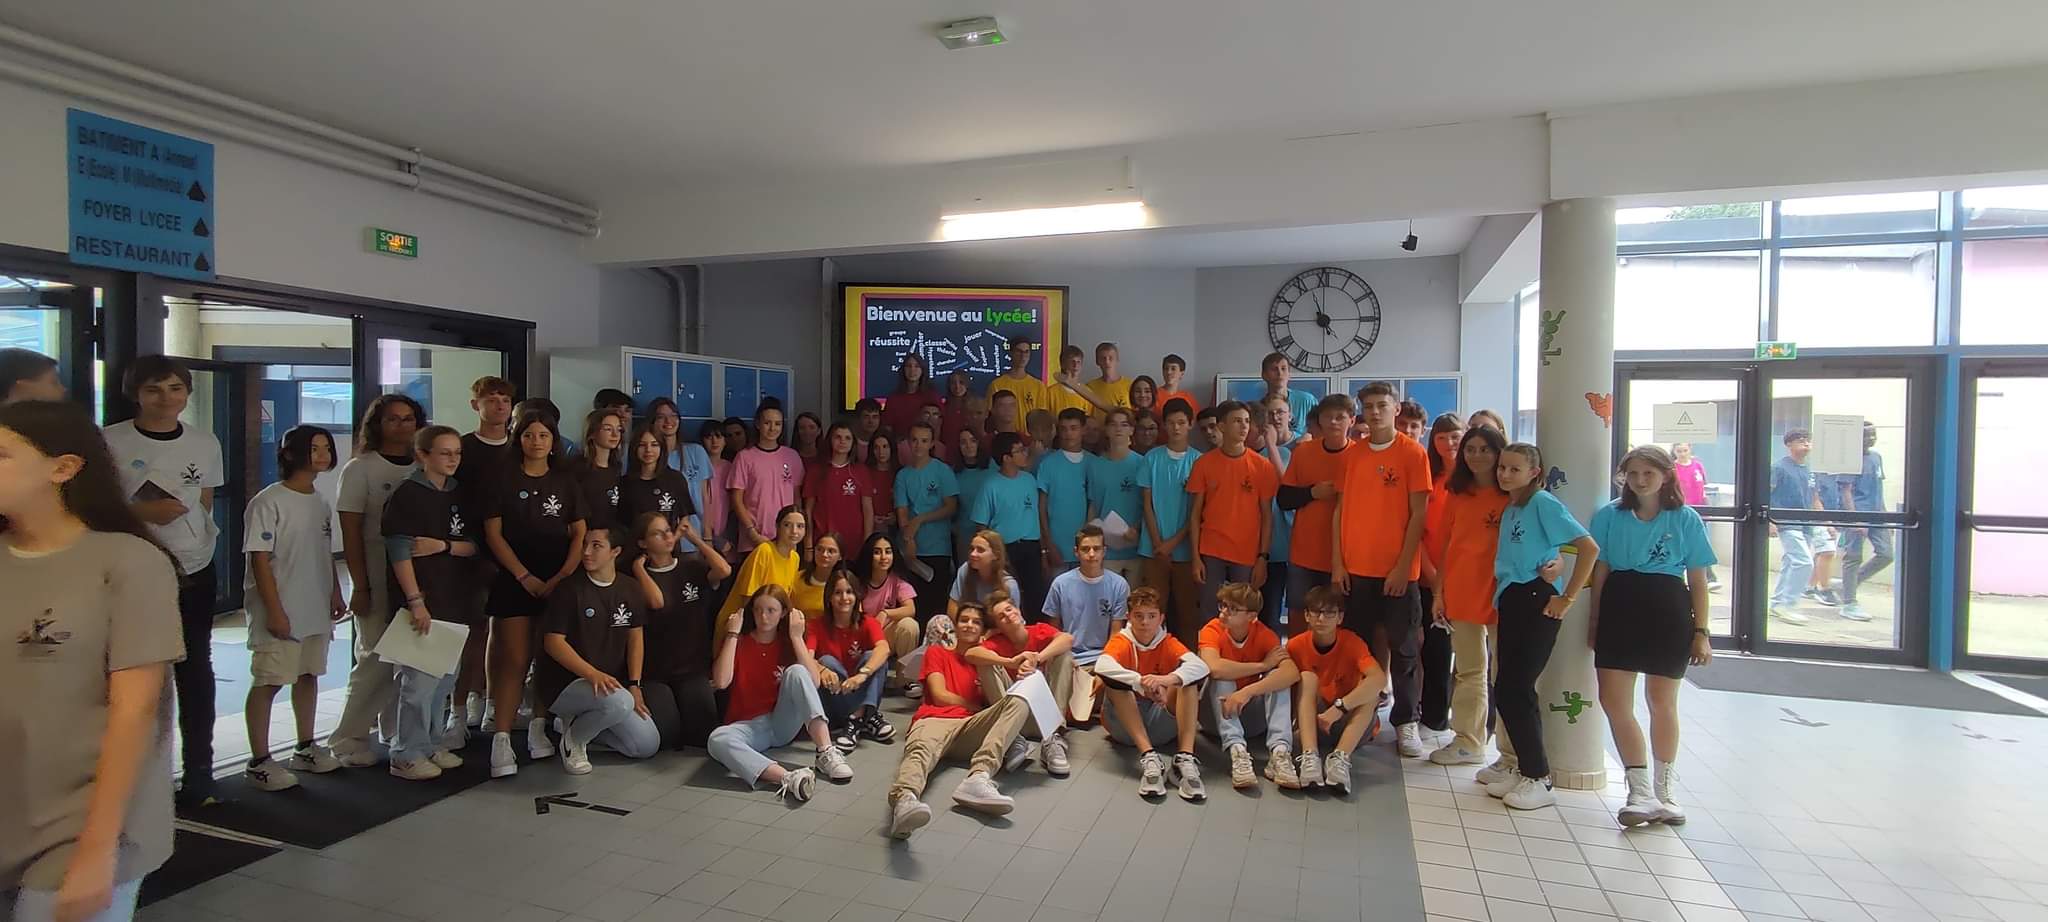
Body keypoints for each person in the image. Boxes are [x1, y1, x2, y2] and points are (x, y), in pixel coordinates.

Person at [0, 401, 184, 922]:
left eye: (1, 455)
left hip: (78, 825)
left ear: (63, 468)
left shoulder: (126, 562)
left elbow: (134, 715)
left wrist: (97, 847)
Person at [101, 356, 224, 806]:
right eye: (155, 389)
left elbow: (205, 499)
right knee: (135, 673)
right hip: (133, 568)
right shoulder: (109, 441)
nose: (166, 398)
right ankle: (135, 779)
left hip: (193, 566)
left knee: (195, 668)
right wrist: (140, 513)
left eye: (175, 388)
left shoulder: (203, 442)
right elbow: (91, 507)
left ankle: (199, 774)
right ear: (135, 393)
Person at [1590, 445, 1715, 827]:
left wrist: (1702, 632)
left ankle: (1665, 791)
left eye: (1649, 473)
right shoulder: (1609, 516)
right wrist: (1594, 620)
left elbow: (1698, 579)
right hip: (1620, 608)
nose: (1641, 480)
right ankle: (1638, 788)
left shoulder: (1685, 519)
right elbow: (1600, 569)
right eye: (1633, 473)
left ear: (1666, 476)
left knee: (1662, 702)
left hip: (1668, 611)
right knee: (1614, 701)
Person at [1486, 441, 1599, 810]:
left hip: (1538, 600)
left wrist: (1566, 597)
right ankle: (1524, 768)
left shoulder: (1543, 503)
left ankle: (1539, 776)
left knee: (1516, 688)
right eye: (1502, 467)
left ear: (1534, 472)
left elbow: (1588, 548)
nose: (1505, 474)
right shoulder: (1514, 506)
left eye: (1514, 469)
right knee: (1508, 688)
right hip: (1512, 599)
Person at [240, 424, 347, 791]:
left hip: (314, 605)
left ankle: (304, 746)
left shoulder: (319, 500)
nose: (321, 454)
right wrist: (275, 610)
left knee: (308, 676)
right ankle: (259, 759)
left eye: (325, 447)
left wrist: (335, 592)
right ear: (288, 453)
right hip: (280, 609)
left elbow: (324, 552)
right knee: (270, 680)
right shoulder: (267, 502)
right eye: (313, 447)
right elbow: (260, 560)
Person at [480, 409, 587, 777]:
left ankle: (539, 727)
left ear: (553, 441)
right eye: (529, 435)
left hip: (557, 578)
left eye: (543, 436)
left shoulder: (566, 480)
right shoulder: (501, 479)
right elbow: (494, 534)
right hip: (515, 579)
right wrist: (523, 575)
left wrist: (563, 575)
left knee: (547, 658)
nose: (536, 442)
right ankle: (502, 740)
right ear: (518, 438)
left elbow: (579, 533)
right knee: (514, 659)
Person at [1330, 381, 1433, 758]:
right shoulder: (1352, 455)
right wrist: (1338, 563)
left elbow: (1419, 514)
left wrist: (1404, 566)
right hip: (1356, 570)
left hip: (1397, 572)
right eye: (1368, 406)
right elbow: (1340, 511)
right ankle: (1362, 712)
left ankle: (1406, 721)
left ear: (1395, 409)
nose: (1375, 413)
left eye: (1382, 406)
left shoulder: (1412, 454)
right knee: (1357, 649)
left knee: (1403, 650)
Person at [328, 393, 424, 767]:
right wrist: (361, 586)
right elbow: (350, 532)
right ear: (377, 425)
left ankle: (395, 730)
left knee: (412, 659)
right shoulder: (360, 469)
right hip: (376, 570)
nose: (402, 426)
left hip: (418, 575)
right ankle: (349, 737)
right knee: (375, 658)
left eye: (408, 418)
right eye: (392, 419)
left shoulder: (423, 464)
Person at [379, 425, 477, 780]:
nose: (453, 460)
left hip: (455, 597)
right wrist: (414, 600)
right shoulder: (408, 495)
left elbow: (472, 546)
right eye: (444, 453)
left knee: (444, 680)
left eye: (457, 453)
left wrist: (444, 545)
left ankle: (431, 742)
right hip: (422, 599)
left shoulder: (457, 494)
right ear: (423, 455)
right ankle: (405, 751)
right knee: (417, 683)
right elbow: (399, 550)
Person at [885, 603, 1033, 836]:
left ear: (983, 631)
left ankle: (978, 777)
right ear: (955, 626)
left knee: (1019, 700)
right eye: (964, 620)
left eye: (976, 622)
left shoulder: (986, 660)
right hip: (935, 718)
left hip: (970, 729)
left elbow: (1002, 697)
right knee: (919, 751)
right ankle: (905, 801)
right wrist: (974, 706)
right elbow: (940, 695)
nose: (969, 625)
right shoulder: (937, 652)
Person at [708, 585, 853, 802]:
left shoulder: (788, 642)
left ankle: (825, 751)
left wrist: (797, 638)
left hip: (781, 721)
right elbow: (721, 681)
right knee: (716, 739)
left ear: (784, 613)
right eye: (758, 610)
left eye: (771, 610)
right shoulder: (739, 641)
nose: (763, 617)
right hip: (749, 727)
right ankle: (788, 777)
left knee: (797, 671)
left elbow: (813, 682)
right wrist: (732, 633)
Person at [538, 525, 664, 775]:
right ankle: (574, 740)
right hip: (566, 684)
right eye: (585, 544)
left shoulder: (629, 588)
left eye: (596, 546)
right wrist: (592, 674)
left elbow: (635, 637)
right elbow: (553, 642)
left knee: (646, 744)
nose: (586, 552)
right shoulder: (569, 589)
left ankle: (584, 726)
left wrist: (634, 684)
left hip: (609, 689)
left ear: (615, 551)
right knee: (619, 702)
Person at [1426, 425, 1511, 768]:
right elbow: (1446, 544)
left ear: (1498, 452)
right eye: (1471, 449)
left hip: (1503, 590)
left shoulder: (1513, 494)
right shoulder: (1456, 492)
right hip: (1461, 589)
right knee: (1469, 670)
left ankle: (1510, 751)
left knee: (1504, 675)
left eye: (1485, 449)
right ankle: (1468, 741)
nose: (1477, 456)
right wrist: (1438, 591)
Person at [1095, 587, 1209, 800]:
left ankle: (1184, 758)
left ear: (1161, 618)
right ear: (1129, 617)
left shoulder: (1168, 642)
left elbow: (1201, 667)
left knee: (1188, 681)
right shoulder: (1122, 640)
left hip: (1160, 721)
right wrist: (1140, 682)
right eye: (1138, 616)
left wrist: (1165, 680)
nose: (1145, 622)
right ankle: (1148, 757)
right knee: (1115, 682)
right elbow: (1102, 665)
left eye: (1151, 616)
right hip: (1124, 728)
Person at [453, 375, 519, 730]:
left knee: (509, 634)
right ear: (475, 404)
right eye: (491, 399)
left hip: (517, 553)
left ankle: (497, 702)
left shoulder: (519, 448)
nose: (499, 405)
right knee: (472, 631)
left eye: (505, 400)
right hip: (472, 552)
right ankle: (462, 706)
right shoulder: (463, 449)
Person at [635, 512, 731, 749]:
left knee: (703, 733)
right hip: (656, 671)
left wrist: (695, 539)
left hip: (692, 668)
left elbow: (724, 569)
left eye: (668, 530)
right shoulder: (637, 578)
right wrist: (639, 569)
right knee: (667, 736)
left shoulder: (690, 566)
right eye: (658, 533)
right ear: (643, 542)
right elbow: (657, 602)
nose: (667, 536)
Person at [1188, 401, 1279, 628]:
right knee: (1209, 614)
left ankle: (1240, 660)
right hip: (1211, 550)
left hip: (1247, 552)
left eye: (1247, 421)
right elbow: (1194, 515)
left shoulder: (1262, 466)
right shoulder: (1204, 463)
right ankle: (1209, 660)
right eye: (1237, 421)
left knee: (1243, 613)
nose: (1244, 426)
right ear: (1221, 426)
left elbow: (1267, 516)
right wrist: (1196, 557)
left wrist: (1263, 557)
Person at [1199, 582, 1299, 790]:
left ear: (1252, 616)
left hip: (1250, 714)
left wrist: (1246, 691)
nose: (1224, 612)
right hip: (1214, 714)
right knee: (1223, 676)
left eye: (1233, 608)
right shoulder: (1211, 630)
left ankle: (1279, 753)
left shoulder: (1264, 634)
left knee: (1277, 676)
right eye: (1223, 605)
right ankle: (1237, 751)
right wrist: (1262, 665)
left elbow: (1292, 673)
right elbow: (1215, 668)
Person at [1286, 586, 1386, 793]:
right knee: (1307, 677)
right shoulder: (1295, 646)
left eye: (1329, 613)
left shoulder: (1352, 642)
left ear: (1340, 618)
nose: (1322, 618)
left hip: (1350, 722)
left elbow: (1379, 679)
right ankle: (1310, 757)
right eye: (1316, 612)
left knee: (1371, 691)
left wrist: (1340, 708)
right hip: (1314, 722)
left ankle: (1340, 759)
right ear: (1306, 616)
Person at [962, 592, 1075, 770]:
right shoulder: (997, 642)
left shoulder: (1038, 631)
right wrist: (1010, 662)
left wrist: (1036, 659)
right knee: (987, 661)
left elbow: (1067, 639)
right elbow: (971, 654)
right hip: (1015, 717)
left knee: (1065, 656)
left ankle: (1053, 736)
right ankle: (1012, 738)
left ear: (1018, 610)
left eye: (1009, 609)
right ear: (997, 626)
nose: (1008, 615)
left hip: (1045, 716)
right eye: (1001, 616)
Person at [1279, 396, 1356, 633]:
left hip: (1346, 556)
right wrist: (1313, 492)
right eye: (1327, 417)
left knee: (1339, 618)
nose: (1333, 422)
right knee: (1299, 615)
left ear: (1351, 421)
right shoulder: (1303, 452)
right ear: (1318, 421)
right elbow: (1284, 499)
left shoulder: (1359, 455)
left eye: (1340, 417)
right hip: (1304, 553)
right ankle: (1297, 665)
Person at [1040, 525, 1128, 727]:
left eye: (1096, 549)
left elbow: (1116, 634)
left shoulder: (1118, 585)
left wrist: (1104, 669)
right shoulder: (1060, 583)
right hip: (1070, 659)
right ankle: (1055, 726)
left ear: (1104, 551)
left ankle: (1091, 705)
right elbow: (1053, 632)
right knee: (1062, 667)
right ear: (1076, 552)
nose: (1091, 554)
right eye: (1085, 549)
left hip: (1101, 658)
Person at [1415, 413, 1465, 754]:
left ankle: (1471, 725)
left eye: (1455, 437)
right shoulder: (1428, 477)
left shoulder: (1474, 483)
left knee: (1470, 656)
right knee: (1433, 649)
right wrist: (1432, 574)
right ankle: (1433, 716)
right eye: (1442, 437)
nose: (1449, 443)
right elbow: (1415, 527)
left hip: (1465, 578)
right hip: (1426, 573)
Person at [809, 565, 897, 750]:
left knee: (874, 656)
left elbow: (883, 649)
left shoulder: (868, 622)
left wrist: (862, 675)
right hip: (835, 698)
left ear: (856, 595)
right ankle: (866, 717)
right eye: (838, 592)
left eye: (849, 592)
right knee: (827, 661)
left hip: (859, 687)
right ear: (830, 598)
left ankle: (856, 719)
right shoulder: (816, 625)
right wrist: (821, 669)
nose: (844, 598)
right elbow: (806, 657)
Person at [1140, 398, 1203, 642]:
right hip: (1153, 549)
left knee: (1188, 614)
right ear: (1164, 426)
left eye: (1181, 422)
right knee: (1153, 609)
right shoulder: (1152, 459)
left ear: (1190, 424)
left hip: (1186, 550)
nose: (1176, 428)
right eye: (1171, 423)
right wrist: (1159, 543)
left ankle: (1189, 667)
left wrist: (1173, 543)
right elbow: (1147, 504)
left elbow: (1197, 511)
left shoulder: (1199, 461)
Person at [973, 432, 1046, 614]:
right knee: (1006, 595)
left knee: (1035, 595)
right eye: (1019, 451)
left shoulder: (1029, 480)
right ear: (1006, 458)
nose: (1024, 454)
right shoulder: (990, 485)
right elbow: (981, 526)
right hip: (1005, 549)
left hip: (1031, 546)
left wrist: (1044, 550)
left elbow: (1036, 515)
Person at [895, 420, 960, 627]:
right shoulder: (903, 475)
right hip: (912, 551)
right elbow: (902, 512)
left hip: (938, 549)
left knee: (937, 607)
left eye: (924, 441)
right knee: (915, 608)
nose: (918, 445)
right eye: (914, 440)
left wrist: (921, 519)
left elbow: (951, 507)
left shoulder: (942, 471)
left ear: (932, 443)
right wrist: (908, 539)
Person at [1768, 429, 1825, 625]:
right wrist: (1770, 521)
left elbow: (1814, 496)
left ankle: (1777, 603)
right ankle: (1788, 604)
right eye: (1800, 441)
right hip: (1787, 521)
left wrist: (1826, 522)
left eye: (1808, 440)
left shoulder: (1809, 470)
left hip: (1806, 523)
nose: (1806, 444)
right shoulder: (1779, 468)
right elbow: (1766, 493)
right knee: (1804, 562)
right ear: (1789, 445)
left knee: (1790, 562)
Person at [716, 505, 807, 627]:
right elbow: (747, 598)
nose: (794, 531)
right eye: (787, 525)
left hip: (767, 624)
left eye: (800, 526)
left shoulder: (795, 558)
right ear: (777, 526)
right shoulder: (765, 551)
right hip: (741, 623)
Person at [730, 403, 805, 551]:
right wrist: (752, 532)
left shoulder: (792, 456)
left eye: (777, 424)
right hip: (754, 540)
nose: (772, 428)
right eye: (767, 423)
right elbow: (736, 499)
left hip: (786, 539)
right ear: (758, 424)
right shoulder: (745, 457)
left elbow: (797, 498)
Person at [1837, 422, 1892, 623]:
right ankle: (1849, 603)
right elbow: (1846, 491)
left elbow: (1878, 488)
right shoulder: (1849, 459)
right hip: (1857, 513)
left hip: (1877, 514)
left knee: (1886, 554)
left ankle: (1848, 584)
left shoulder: (1876, 457)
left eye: (1873, 435)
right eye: (1866, 436)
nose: (1871, 439)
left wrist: (1885, 516)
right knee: (1853, 557)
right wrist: (1855, 519)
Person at [854, 533, 921, 696]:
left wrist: (886, 613)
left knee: (909, 625)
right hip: (862, 637)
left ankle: (905, 680)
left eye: (888, 551)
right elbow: (856, 617)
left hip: (884, 634)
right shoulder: (857, 581)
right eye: (877, 552)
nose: (883, 557)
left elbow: (910, 609)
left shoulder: (896, 580)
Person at [648, 397, 717, 553]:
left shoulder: (695, 452)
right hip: (658, 541)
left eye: (673, 415)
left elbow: (705, 498)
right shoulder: (648, 455)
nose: (668, 421)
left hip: (693, 538)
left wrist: (707, 538)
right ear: (651, 421)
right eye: (661, 417)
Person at [1253, 394, 1297, 632]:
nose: (1275, 418)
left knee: (1292, 612)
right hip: (1260, 547)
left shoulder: (1290, 453)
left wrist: (1271, 445)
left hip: (1287, 545)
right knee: (1265, 612)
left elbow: (1286, 487)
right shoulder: (1251, 455)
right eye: (1270, 414)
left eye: (1280, 412)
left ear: (1289, 415)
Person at [1087, 408, 1147, 583]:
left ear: (1132, 430)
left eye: (1124, 424)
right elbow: (1093, 504)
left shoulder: (1142, 463)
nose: (1118, 429)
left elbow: (1148, 504)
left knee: (1135, 601)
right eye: (1113, 424)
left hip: (1136, 544)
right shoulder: (1095, 465)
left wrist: (1136, 529)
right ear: (1106, 430)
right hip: (1107, 547)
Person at [1037, 408, 1093, 580]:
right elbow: (1042, 508)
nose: (1068, 434)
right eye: (1064, 428)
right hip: (1057, 548)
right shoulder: (1048, 464)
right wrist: (1047, 546)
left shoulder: (1094, 463)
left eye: (1074, 428)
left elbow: (1095, 505)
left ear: (1084, 429)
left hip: (1087, 548)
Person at [805, 421, 873, 550]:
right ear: (830, 440)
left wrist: (867, 543)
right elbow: (808, 510)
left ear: (853, 442)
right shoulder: (816, 471)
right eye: (838, 437)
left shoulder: (861, 471)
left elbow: (868, 510)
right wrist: (808, 545)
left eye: (847, 438)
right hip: (823, 542)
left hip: (854, 542)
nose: (842, 441)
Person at [621, 424, 696, 531]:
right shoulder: (625, 482)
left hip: (669, 545)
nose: (648, 450)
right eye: (642, 445)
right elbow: (621, 522)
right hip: (635, 545)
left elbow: (684, 519)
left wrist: (672, 539)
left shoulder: (675, 479)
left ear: (662, 448)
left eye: (654, 445)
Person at [1670, 442, 1720, 591]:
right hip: (1681, 510)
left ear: (1690, 450)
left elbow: (1703, 487)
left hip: (1700, 510)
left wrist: (1707, 504)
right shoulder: (1673, 468)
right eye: (1679, 451)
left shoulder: (1697, 466)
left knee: (1701, 542)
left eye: (1685, 450)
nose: (1682, 453)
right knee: (1681, 543)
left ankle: (1709, 576)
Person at [572, 408, 627, 531]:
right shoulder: (577, 468)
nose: (615, 434)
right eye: (608, 429)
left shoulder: (615, 468)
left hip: (608, 538)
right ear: (592, 433)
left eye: (618, 429)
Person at [950, 529, 1023, 618]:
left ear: (996, 555)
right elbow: (952, 607)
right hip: (969, 626)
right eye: (972, 549)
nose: (973, 554)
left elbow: (1012, 622)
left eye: (980, 550)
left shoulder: (1009, 585)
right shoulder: (965, 569)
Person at [953, 427, 994, 563]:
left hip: (992, 535)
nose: (968, 446)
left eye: (973, 441)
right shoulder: (954, 474)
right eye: (963, 442)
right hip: (965, 536)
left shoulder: (993, 468)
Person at [788, 533, 844, 633]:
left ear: (840, 556)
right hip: (798, 634)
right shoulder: (796, 577)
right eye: (820, 549)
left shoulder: (844, 584)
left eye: (831, 551)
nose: (824, 554)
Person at [882, 352, 945, 438]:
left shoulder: (932, 396)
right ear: (903, 370)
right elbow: (887, 428)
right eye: (909, 366)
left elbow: (940, 424)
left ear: (922, 370)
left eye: (916, 366)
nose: (912, 370)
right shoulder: (894, 398)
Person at [1260, 352, 1319, 441]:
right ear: (1264, 375)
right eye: (1274, 369)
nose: (1279, 373)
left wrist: (1309, 437)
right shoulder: (1260, 407)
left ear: (1289, 374)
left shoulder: (1307, 400)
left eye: (1283, 369)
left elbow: (1322, 430)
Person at [698, 421, 734, 560]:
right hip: (700, 532)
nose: (714, 441)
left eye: (719, 437)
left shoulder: (731, 468)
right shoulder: (696, 467)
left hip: (726, 534)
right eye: (709, 437)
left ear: (725, 441)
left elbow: (735, 506)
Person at [993, 338, 1047, 430]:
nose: (1023, 356)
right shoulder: (997, 385)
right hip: (1005, 437)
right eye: (1019, 351)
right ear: (1011, 353)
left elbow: (1041, 418)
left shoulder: (1038, 386)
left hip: (1029, 438)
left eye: (1026, 352)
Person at [866, 431, 897, 538]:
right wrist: (871, 518)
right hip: (871, 529)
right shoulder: (865, 473)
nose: (881, 452)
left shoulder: (900, 474)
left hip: (896, 530)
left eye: (885, 446)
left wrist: (897, 516)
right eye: (876, 447)